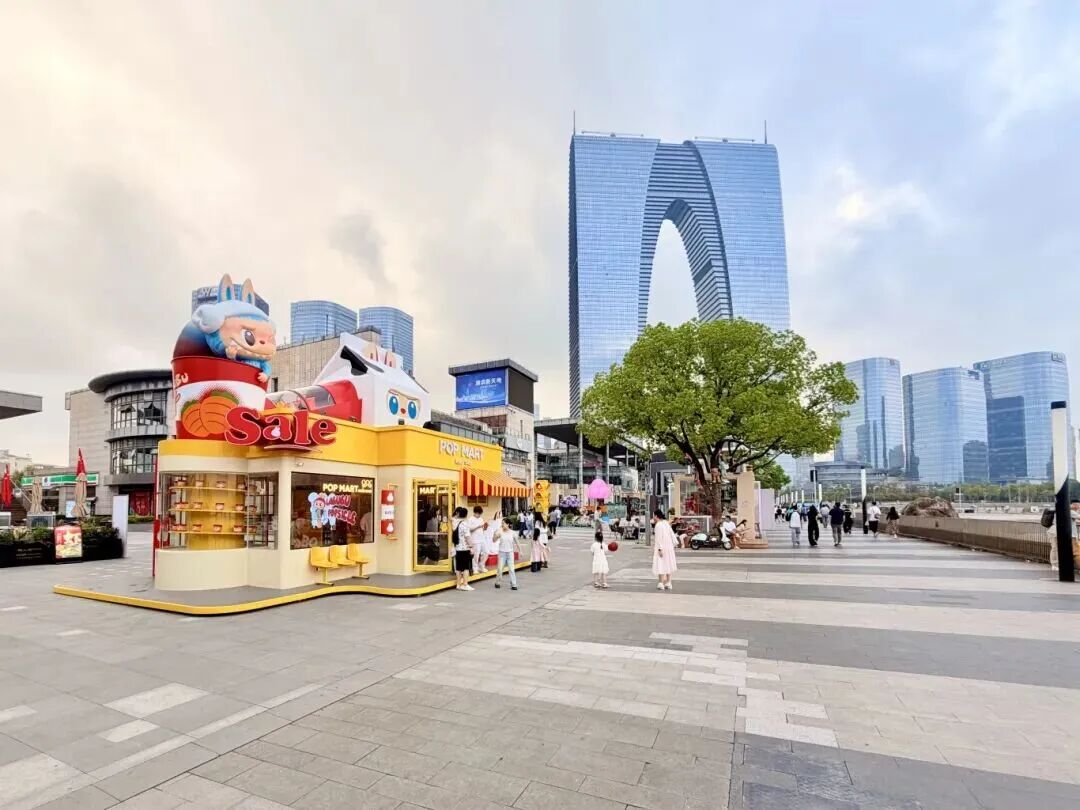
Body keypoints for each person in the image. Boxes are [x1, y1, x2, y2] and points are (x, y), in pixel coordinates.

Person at [651, 508, 678, 590]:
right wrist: (675, 543)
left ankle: (661, 582)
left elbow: (659, 538)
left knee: (660, 564)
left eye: (653, 516)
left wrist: (660, 549)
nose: (653, 517)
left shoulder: (658, 525)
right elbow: (672, 534)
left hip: (662, 547)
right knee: (668, 563)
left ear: (656, 516)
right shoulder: (666, 523)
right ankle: (668, 582)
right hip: (669, 547)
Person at [451, 507, 474, 591]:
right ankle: (465, 584)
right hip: (464, 548)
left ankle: (458, 584)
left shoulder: (455, 522)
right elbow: (467, 537)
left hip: (457, 548)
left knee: (458, 568)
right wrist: (471, 547)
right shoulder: (465, 524)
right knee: (466, 568)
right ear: (466, 515)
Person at [492, 518, 518, 590]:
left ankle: (514, 584)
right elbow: (494, 540)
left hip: (510, 553)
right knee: (500, 569)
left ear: (508, 524)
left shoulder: (513, 533)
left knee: (511, 569)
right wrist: (495, 535)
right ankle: (497, 582)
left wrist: (521, 551)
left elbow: (517, 542)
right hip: (502, 553)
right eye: (502, 523)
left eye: (503, 523)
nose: (502, 524)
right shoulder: (500, 532)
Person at [466, 506, 489, 573]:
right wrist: (478, 526)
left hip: (482, 538)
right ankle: (475, 568)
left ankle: (481, 565)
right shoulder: (470, 519)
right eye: (478, 514)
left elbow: (483, 529)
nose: (479, 515)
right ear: (475, 512)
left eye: (480, 514)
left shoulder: (481, 519)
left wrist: (485, 527)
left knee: (486, 552)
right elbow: (469, 530)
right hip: (475, 540)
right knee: (476, 555)